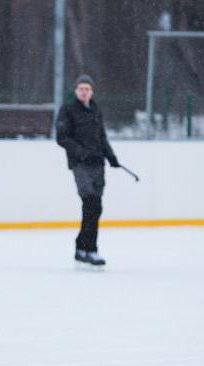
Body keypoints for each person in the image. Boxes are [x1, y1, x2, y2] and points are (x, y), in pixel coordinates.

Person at [55, 74, 121, 267]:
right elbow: (62, 137)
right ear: (76, 91)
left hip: (98, 164)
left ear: (92, 92)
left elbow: (102, 136)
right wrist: (82, 154)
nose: (84, 92)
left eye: (88, 89)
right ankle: (90, 250)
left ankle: (82, 248)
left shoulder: (95, 110)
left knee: (95, 207)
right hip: (80, 164)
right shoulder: (67, 110)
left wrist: (111, 156)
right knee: (90, 201)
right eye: (81, 89)